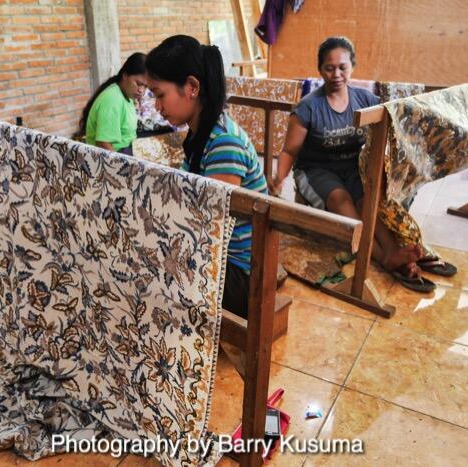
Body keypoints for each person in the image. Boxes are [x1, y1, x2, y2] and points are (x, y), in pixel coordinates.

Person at [269, 36, 433, 291]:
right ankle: (381, 257)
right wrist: (278, 178)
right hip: (316, 170)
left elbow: (388, 136)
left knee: (368, 200)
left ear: (352, 67)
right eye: (329, 67)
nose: (336, 74)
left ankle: (391, 250)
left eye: (342, 67)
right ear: (320, 69)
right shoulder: (308, 107)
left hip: (354, 167)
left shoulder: (366, 101)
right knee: (341, 200)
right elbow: (290, 150)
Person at [145, 35, 268, 318]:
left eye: (160, 94)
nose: (157, 106)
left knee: (150, 266)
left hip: (243, 276)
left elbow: (211, 228)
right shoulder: (201, 133)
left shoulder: (224, 142)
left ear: (192, 87)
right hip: (224, 261)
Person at [78, 52, 147, 155]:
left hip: (127, 148)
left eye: (145, 86)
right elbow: (103, 145)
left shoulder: (126, 95)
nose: (141, 90)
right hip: (115, 155)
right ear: (125, 75)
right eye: (138, 84)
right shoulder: (113, 100)